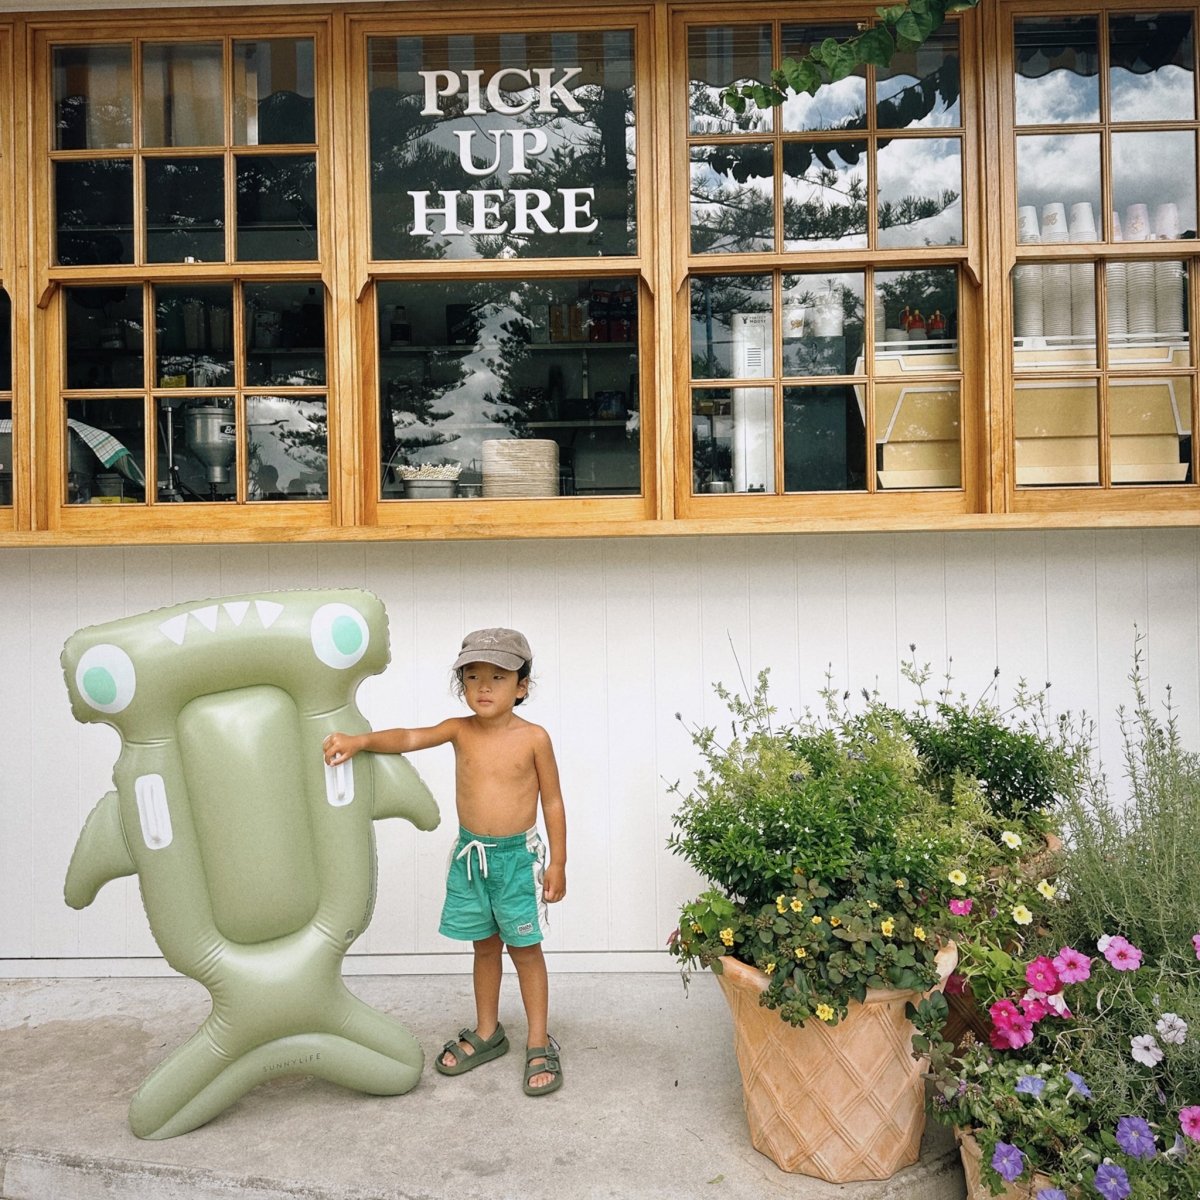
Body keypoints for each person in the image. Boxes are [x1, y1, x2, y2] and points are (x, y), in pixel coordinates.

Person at [322, 627, 567, 1096]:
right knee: (484, 946)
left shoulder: (534, 738)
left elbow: (553, 801)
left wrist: (558, 862)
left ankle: (538, 1039)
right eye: (472, 677)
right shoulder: (459, 730)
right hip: (471, 860)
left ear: (522, 687)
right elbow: (410, 736)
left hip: (516, 863)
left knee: (525, 950)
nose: (484, 687)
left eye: (498, 677)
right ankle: (488, 1030)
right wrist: (360, 741)